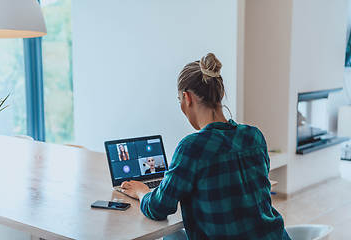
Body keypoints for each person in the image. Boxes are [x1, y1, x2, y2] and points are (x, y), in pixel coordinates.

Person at [120, 53, 290, 239]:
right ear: (221, 94)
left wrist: (142, 192)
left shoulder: (192, 147)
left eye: (180, 101)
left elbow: (159, 207)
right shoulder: (254, 136)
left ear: (187, 98)